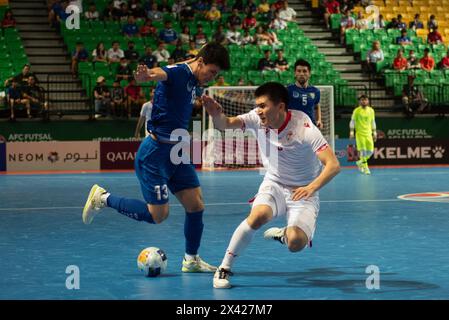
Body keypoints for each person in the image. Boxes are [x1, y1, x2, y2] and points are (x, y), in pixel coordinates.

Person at [82, 43, 230, 274]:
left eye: (216, 74)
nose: (212, 77)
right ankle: (103, 198)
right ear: (200, 62)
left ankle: (191, 259)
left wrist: (207, 103)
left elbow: (186, 93)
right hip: (155, 153)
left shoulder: (195, 79)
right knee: (158, 215)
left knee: (196, 206)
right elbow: (161, 73)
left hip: (178, 152)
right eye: (211, 71)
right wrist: (146, 75)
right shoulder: (179, 71)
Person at [201, 82, 340, 288]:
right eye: (257, 105)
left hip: (304, 190)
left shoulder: (304, 127)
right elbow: (226, 123)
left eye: (264, 105)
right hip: (274, 182)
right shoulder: (256, 119)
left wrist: (311, 188)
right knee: (258, 216)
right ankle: (225, 268)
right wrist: (215, 114)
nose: (259, 110)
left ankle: (284, 234)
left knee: (296, 243)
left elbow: (333, 165)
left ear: (281, 107)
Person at [287, 59, 322, 129]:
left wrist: (319, 120)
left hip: (310, 128)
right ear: (295, 73)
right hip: (293, 129)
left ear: (309, 74)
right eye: (299, 71)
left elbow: (317, 106)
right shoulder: (288, 90)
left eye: (304, 71)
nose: (302, 74)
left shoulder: (315, 91)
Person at [349, 95, 377, 175]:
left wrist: (374, 132)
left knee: (371, 151)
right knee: (363, 151)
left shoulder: (371, 111)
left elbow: (373, 122)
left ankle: (360, 161)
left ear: (368, 101)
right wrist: (351, 131)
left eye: (365, 100)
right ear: (360, 101)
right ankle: (366, 168)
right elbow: (352, 121)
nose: (364, 101)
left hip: (368, 134)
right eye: (362, 100)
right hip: (360, 134)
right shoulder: (356, 111)